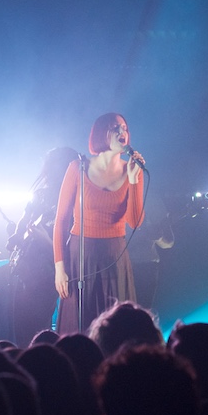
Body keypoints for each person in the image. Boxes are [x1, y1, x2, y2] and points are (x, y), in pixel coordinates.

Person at [53, 112, 146, 334]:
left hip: (114, 256)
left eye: (124, 128)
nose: (122, 132)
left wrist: (133, 180)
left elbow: (135, 222)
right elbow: (61, 220)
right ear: (101, 134)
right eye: (115, 127)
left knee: (115, 330)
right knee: (79, 328)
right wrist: (59, 268)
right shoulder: (78, 168)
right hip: (81, 255)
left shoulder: (132, 170)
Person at [7, 146, 80, 348]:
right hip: (26, 268)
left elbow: (72, 246)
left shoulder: (75, 199)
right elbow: (24, 219)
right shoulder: (40, 195)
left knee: (37, 328)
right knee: (22, 326)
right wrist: (16, 236)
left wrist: (45, 241)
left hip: (50, 271)